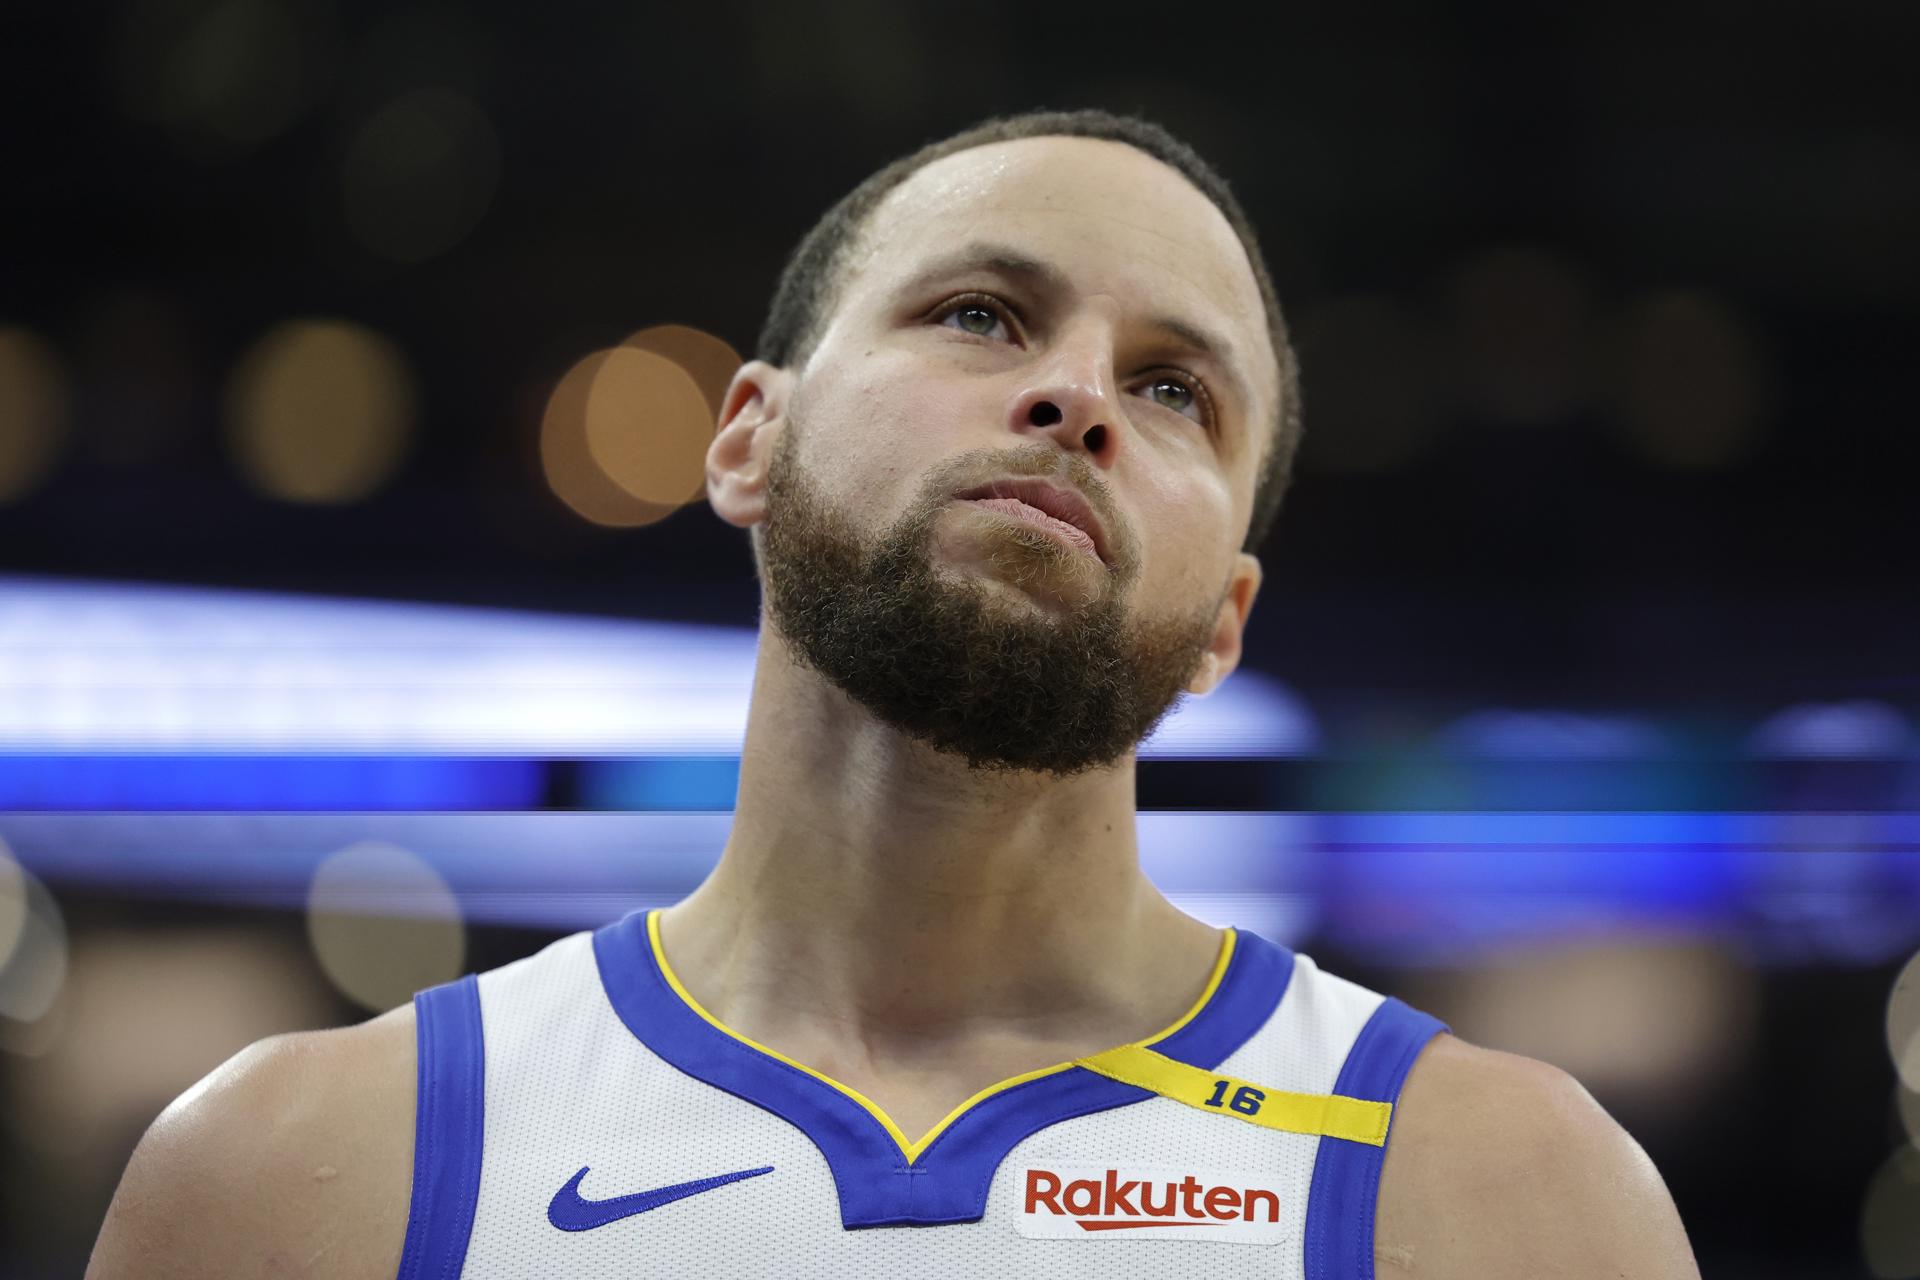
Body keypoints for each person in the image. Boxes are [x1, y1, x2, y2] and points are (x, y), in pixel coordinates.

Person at [87, 109, 1701, 1279]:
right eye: (980, 314)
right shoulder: (298, 1179)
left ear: (1225, 620)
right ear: (747, 438)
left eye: (1172, 390)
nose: (1075, 396)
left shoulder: (1501, 1195)